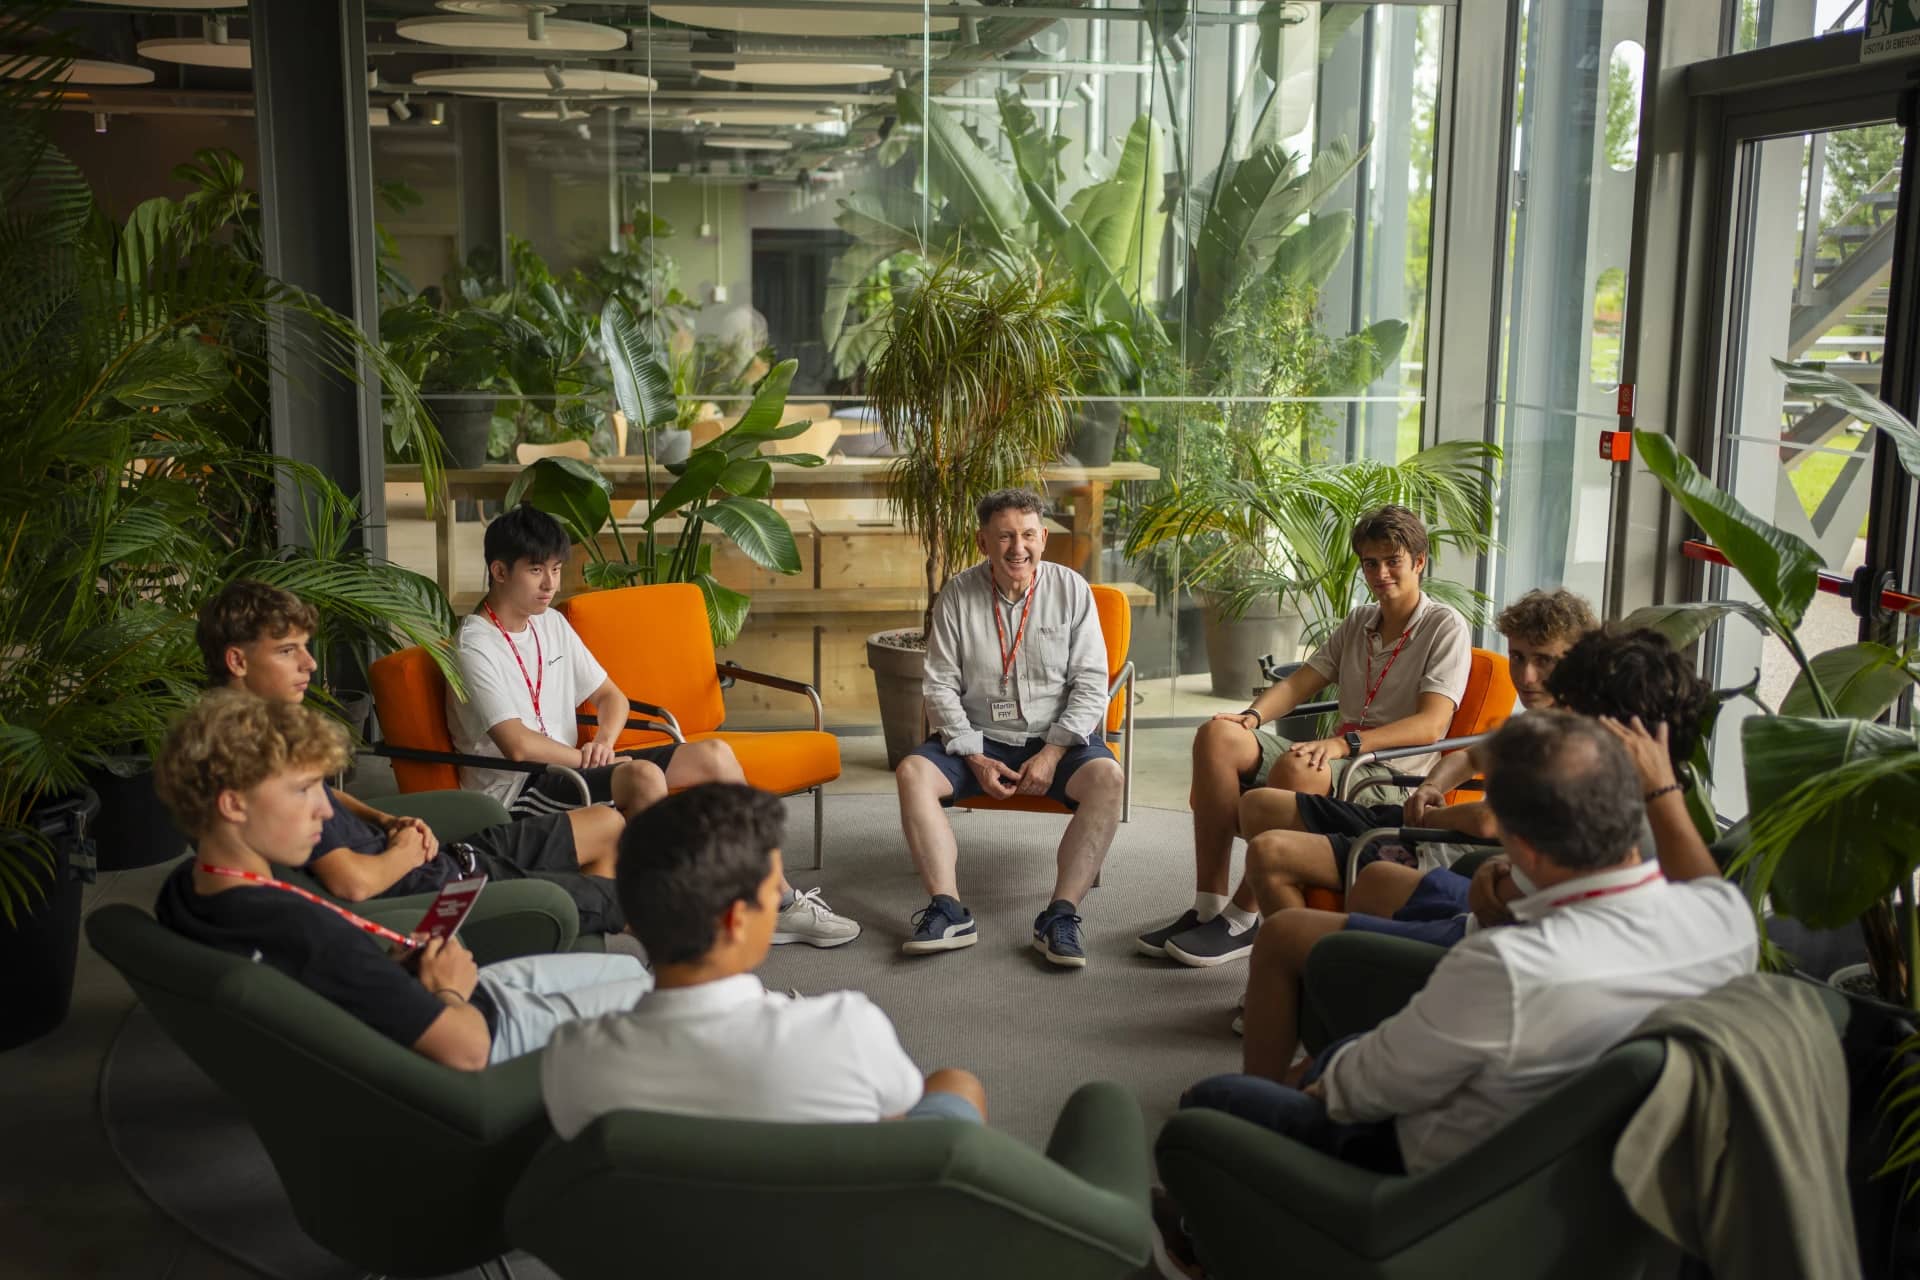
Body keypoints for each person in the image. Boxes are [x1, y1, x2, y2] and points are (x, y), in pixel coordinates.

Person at [1178, 710, 1756, 1179]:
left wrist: (1311, 1081)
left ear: (1521, 849)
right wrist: (1661, 790)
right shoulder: (1725, 924)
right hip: (1565, 1179)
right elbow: (1703, 883)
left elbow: (1356, 1093)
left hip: (1420, 1186)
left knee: (1212, 1107)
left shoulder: (1507, 967)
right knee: (1347, 1043)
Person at [1236, 627, 1719, 1070]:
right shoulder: (1661, 834)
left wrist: (1335, 1076)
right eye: (1520, 658)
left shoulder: (1598, 803)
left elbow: (1505, 841)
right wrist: (1498, 866)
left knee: (1283, 934)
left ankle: (1296, 1051)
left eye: (1577, 711)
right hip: (1493, 909)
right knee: (1375, 879)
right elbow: (1696, 904)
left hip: (1489, 951)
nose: (1531, 680)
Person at [152, 690, 654, 1070]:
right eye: (303, 790)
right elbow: (468, 1048)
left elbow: (344, 985)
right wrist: (448, 989)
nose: (324, 809)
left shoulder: (190, 890)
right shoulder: (300, 931)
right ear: (233, 804)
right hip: (485, 1024)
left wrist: (396, 963)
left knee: (631, 971)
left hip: (438, 990)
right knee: (663, 997)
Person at [448, 504, 858, 948]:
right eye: (535, 571)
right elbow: (517, 745)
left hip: (574, 768)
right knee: (641, 776)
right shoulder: (475, 644)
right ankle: (670, 914)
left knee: (715, 756)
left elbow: (612, 698)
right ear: (499, 571)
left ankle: (778, 901)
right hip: (521, 788)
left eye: (556, 569)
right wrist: (587, 759)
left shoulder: (551, 624)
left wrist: (605, 742)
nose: (551, 584)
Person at [542, 783, 988, 1135]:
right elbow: (901, 1132)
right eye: (773, 890)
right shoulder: (847, 1028)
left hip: (663, 1223)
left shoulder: (572, 1057)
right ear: (736, 920)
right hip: (825, 1218)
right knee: (956, 1085)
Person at [197, 579, 631, 936]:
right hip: (446, 889)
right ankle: (573, 934)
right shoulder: (250, 762)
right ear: (237, 661)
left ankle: (580, 932)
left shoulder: (259, 735)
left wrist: (384, 820)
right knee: (634, 899)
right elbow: (353, 882)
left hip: (451, 857)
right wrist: (406, 851)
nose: (310, 664)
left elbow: (324, 797)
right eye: (287, 651)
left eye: (304, 647)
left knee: (609, 824)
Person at [1139, 505, 1472, 967]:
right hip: (1342, 757)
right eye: (1370, 563)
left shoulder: (1445, 626)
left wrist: (1344, 744)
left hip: (1386, 774)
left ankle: (1243, 916)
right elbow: (1299, 683)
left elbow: (1431, 724)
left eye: (1392, 561)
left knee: (1300, 766)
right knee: (1218, 735)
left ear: (1419, 562)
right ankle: (1208, 906)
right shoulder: (1359, 621)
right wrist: (1252, 717)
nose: (1380, 573)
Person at [1238, 587, 1599, 920]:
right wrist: (1431, 787)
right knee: (1258, 805)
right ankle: (1296, 936)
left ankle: (1307, 947)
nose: (1527, 676)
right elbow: (1468, 758)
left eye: (1544, 660)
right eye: (1517, 657)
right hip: (1423, 831)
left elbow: (1489, 821)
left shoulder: (1579, 740)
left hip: (1443, 851)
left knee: (1269, 851)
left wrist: (1434, 819)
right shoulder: (1531, 726)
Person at [892, 489, 1126, 968]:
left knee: (1108, 778)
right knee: (912, 772)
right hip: (977, 738)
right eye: (1004, 537)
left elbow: (1091, 684)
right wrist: (974, 756)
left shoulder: (1071, 590)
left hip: (1058, 738)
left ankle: (1060, 915)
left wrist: (1053, 753)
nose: (1018, 548)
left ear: (1043, 538)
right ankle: (948, 910)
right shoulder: (957, 595)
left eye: (1027, 535)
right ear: (983, 542)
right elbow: (939, 687)